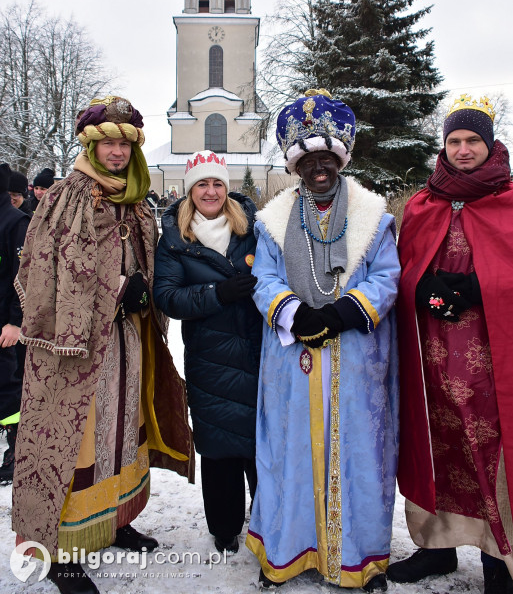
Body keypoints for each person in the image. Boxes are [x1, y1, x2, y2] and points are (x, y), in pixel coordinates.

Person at [12, 95, 194, 594]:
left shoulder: (134, 199)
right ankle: (60, 547)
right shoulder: (67, 195)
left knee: (123, 426)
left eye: (123, 144)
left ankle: (114, 520)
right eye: (107, 143)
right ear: (92, 146)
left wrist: (143, 287)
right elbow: (48, 269)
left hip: (128, 338)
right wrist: (117, 289)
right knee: (77, 441)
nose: (116, 152)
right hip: (74, 349)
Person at [246, 90, 400, 590]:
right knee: (288, 454)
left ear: (340, 160)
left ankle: (363, 559)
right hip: (294, 360)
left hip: (356, 357)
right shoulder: (272, 220)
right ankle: (286, 552)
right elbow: (264, 279)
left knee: (359, 457)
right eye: (309, 159)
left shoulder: (373, 215)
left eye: (327, 158)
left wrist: (342, 313)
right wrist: (294, 312)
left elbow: (386, 276)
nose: (319, 168)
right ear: (297, 166)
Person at [389, 95, 513, 594]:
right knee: (434, 445)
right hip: (429, 355)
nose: (462, 150)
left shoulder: (507, 199)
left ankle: (498, 560)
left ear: (489, 145)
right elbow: (402, 268)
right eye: (454, 141)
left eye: (472, 141)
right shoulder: (424, 202)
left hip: (489, 355)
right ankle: (435, 549)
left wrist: (478, 288)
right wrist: (423, 289)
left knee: (486, 448)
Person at [153, 150, 262, 555]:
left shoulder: (252, 228)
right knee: (219, 446)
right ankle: (225, 527)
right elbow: (167, 296)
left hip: (258, 351)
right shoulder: (175, 241)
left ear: (227, 187)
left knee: (261, 444)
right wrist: (216, 293)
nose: (211, 191)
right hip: (211, 357)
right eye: (202, 184)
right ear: (189, 190)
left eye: (217, 183)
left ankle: (269, 522)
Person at [0, 164, 30, 483]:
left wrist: (14, 322)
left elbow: (22, 278)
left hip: (6, 328)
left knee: (9, 392)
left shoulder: (16, 222)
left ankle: (17, 450)